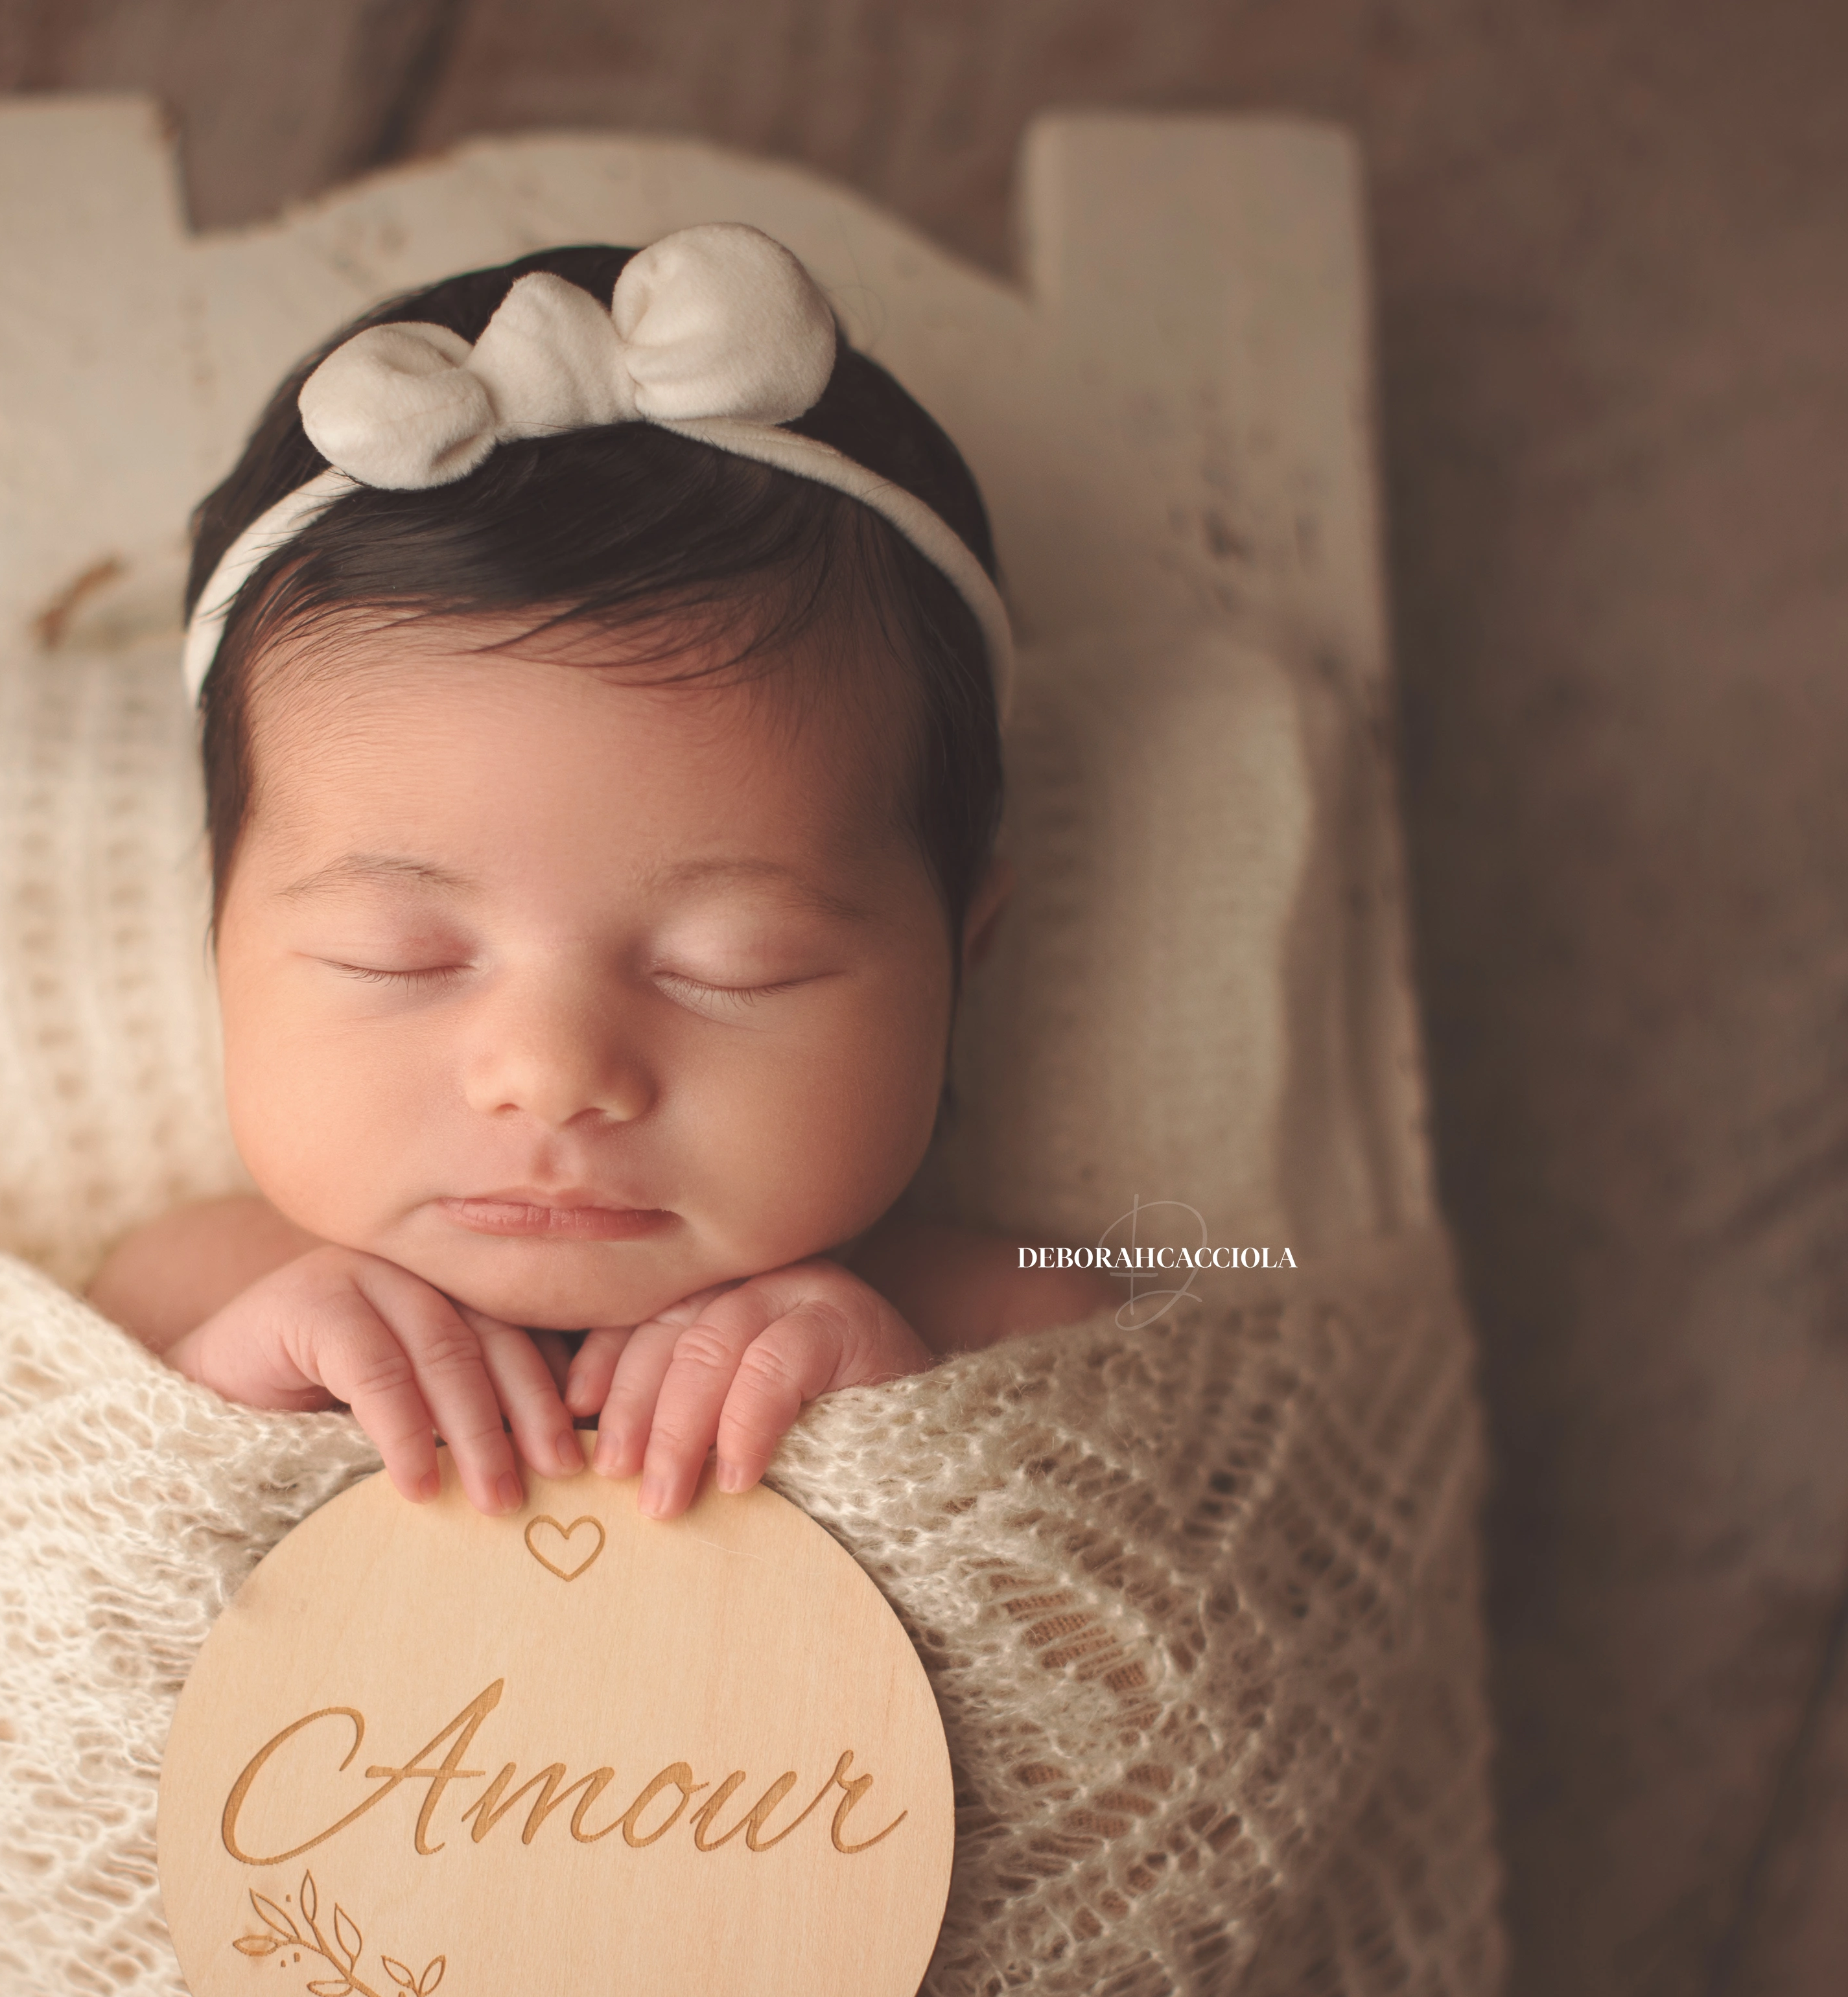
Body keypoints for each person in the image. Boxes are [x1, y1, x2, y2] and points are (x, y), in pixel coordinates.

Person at [90, 225, 1116, 1521]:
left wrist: (913, 1449)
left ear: (960, 961)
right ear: (219, 940)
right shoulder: (192, 1295)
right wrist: (211, 1411)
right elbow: (6, 1622)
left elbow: (1173, 1666)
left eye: (733, 963)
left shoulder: (1021, 1319)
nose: (557, 1074)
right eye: (395, 953)